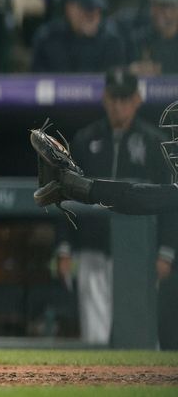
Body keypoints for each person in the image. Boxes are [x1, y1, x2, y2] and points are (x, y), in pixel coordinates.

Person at [51, 68, 172, 344]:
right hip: (93, 248)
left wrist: (166, 251)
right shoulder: (84, 140)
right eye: (114, 97)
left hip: (139, 255)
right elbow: (64, 194)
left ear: (137, 99)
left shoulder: (155, 143)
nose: (118, 104)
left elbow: (170, 200)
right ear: (105, 98)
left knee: (141, 337)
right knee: (95, 338)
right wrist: (64, 246)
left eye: (125, 98)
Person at [30, 0, 127, 72]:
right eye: (87, 8)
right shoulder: (48, 38)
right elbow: (37, 82)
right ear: (69, 8)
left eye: (97, 9)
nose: (92, 15)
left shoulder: (110, 41)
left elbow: (115, 83)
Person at [130, 0, 178, 76]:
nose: (158, 12)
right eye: (154, 5)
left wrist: (163, 71)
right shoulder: (139, 39)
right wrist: (131, 71)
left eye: (165, 6)